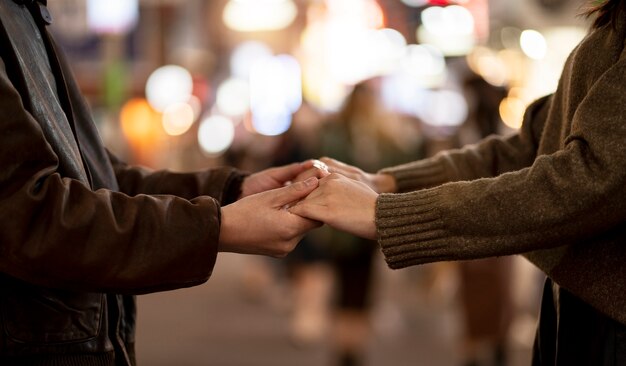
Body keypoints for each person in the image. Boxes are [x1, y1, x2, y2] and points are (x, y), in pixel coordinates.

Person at [290, 1, 626, 364]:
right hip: (581, 307)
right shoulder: (613, 24)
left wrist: (388, 212)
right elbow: (527, 147)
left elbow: (587, 180)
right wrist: (388, 183)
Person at [0, 1, 326, 365]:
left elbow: (100, 179)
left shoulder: (25, 14)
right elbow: (26, 215)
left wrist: (232, 191)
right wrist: (218, 226)